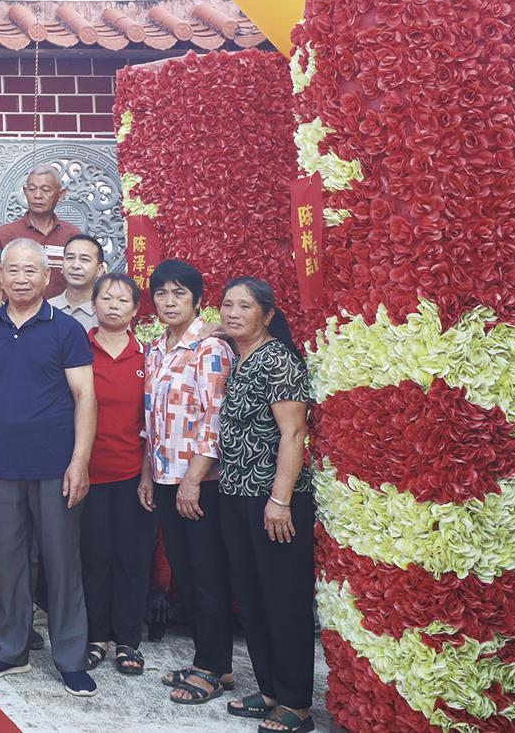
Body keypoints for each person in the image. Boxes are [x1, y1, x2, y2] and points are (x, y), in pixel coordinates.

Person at [0, 238, 98, 696]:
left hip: (55, 465)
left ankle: (71, 658)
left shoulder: (66, 330)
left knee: (61, 562)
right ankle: (9, 650)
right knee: (8, 561)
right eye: (13, 270)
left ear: (46, 277)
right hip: (0, 463)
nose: (20, 279)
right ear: (1, 276)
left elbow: (85, 397)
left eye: (30, 271)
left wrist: (80, 461)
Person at [214, 277, 316, 733]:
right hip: (237, 496)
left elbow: (293, 434)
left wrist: (280, 500)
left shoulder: (278, 360)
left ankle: (296, 704)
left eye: (244, 306)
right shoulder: (241, 356)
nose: (233, 313)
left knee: (283, 599)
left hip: (274, 500)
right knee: (252, 596)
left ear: (268, 315)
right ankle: (271, 689)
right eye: (227, 305)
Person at [139, 257, 237, 707]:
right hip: (165, 476)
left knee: (206, 575)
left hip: (200, 482)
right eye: (161, 293)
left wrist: (193, 480)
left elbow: (216, 419)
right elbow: (151, 420)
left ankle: (211, 669)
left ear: (197, 299)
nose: (169, 301)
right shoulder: (157, 349)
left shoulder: (210, 348)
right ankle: (212, 662)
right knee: (187, 573)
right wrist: (148, 473)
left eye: (179, 293)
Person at [80, 272, 155, 678]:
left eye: (123, 300)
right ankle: (96, 638)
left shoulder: (148, 355)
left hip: (132, 476)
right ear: (93, 303)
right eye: (106, 298)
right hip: (86, 475)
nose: (113, 306)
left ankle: (128, 641)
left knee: (131, 559)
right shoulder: (78, 349)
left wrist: (146, 475)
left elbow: (153, 423)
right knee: (93, 558)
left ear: (136, 309)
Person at [0, 166, 82, 299]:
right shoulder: (4, 235)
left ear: (61, 194)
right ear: (25, 192)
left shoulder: (74, 236)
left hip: (62, 310)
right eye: (32, 189)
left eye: (46, 190)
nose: (38, 196)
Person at [58, 233, 106, 330]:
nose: (75, 266)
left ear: (99, 270)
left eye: (84, 259)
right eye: (70, 258)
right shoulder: (46, 308)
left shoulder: (108, 312)